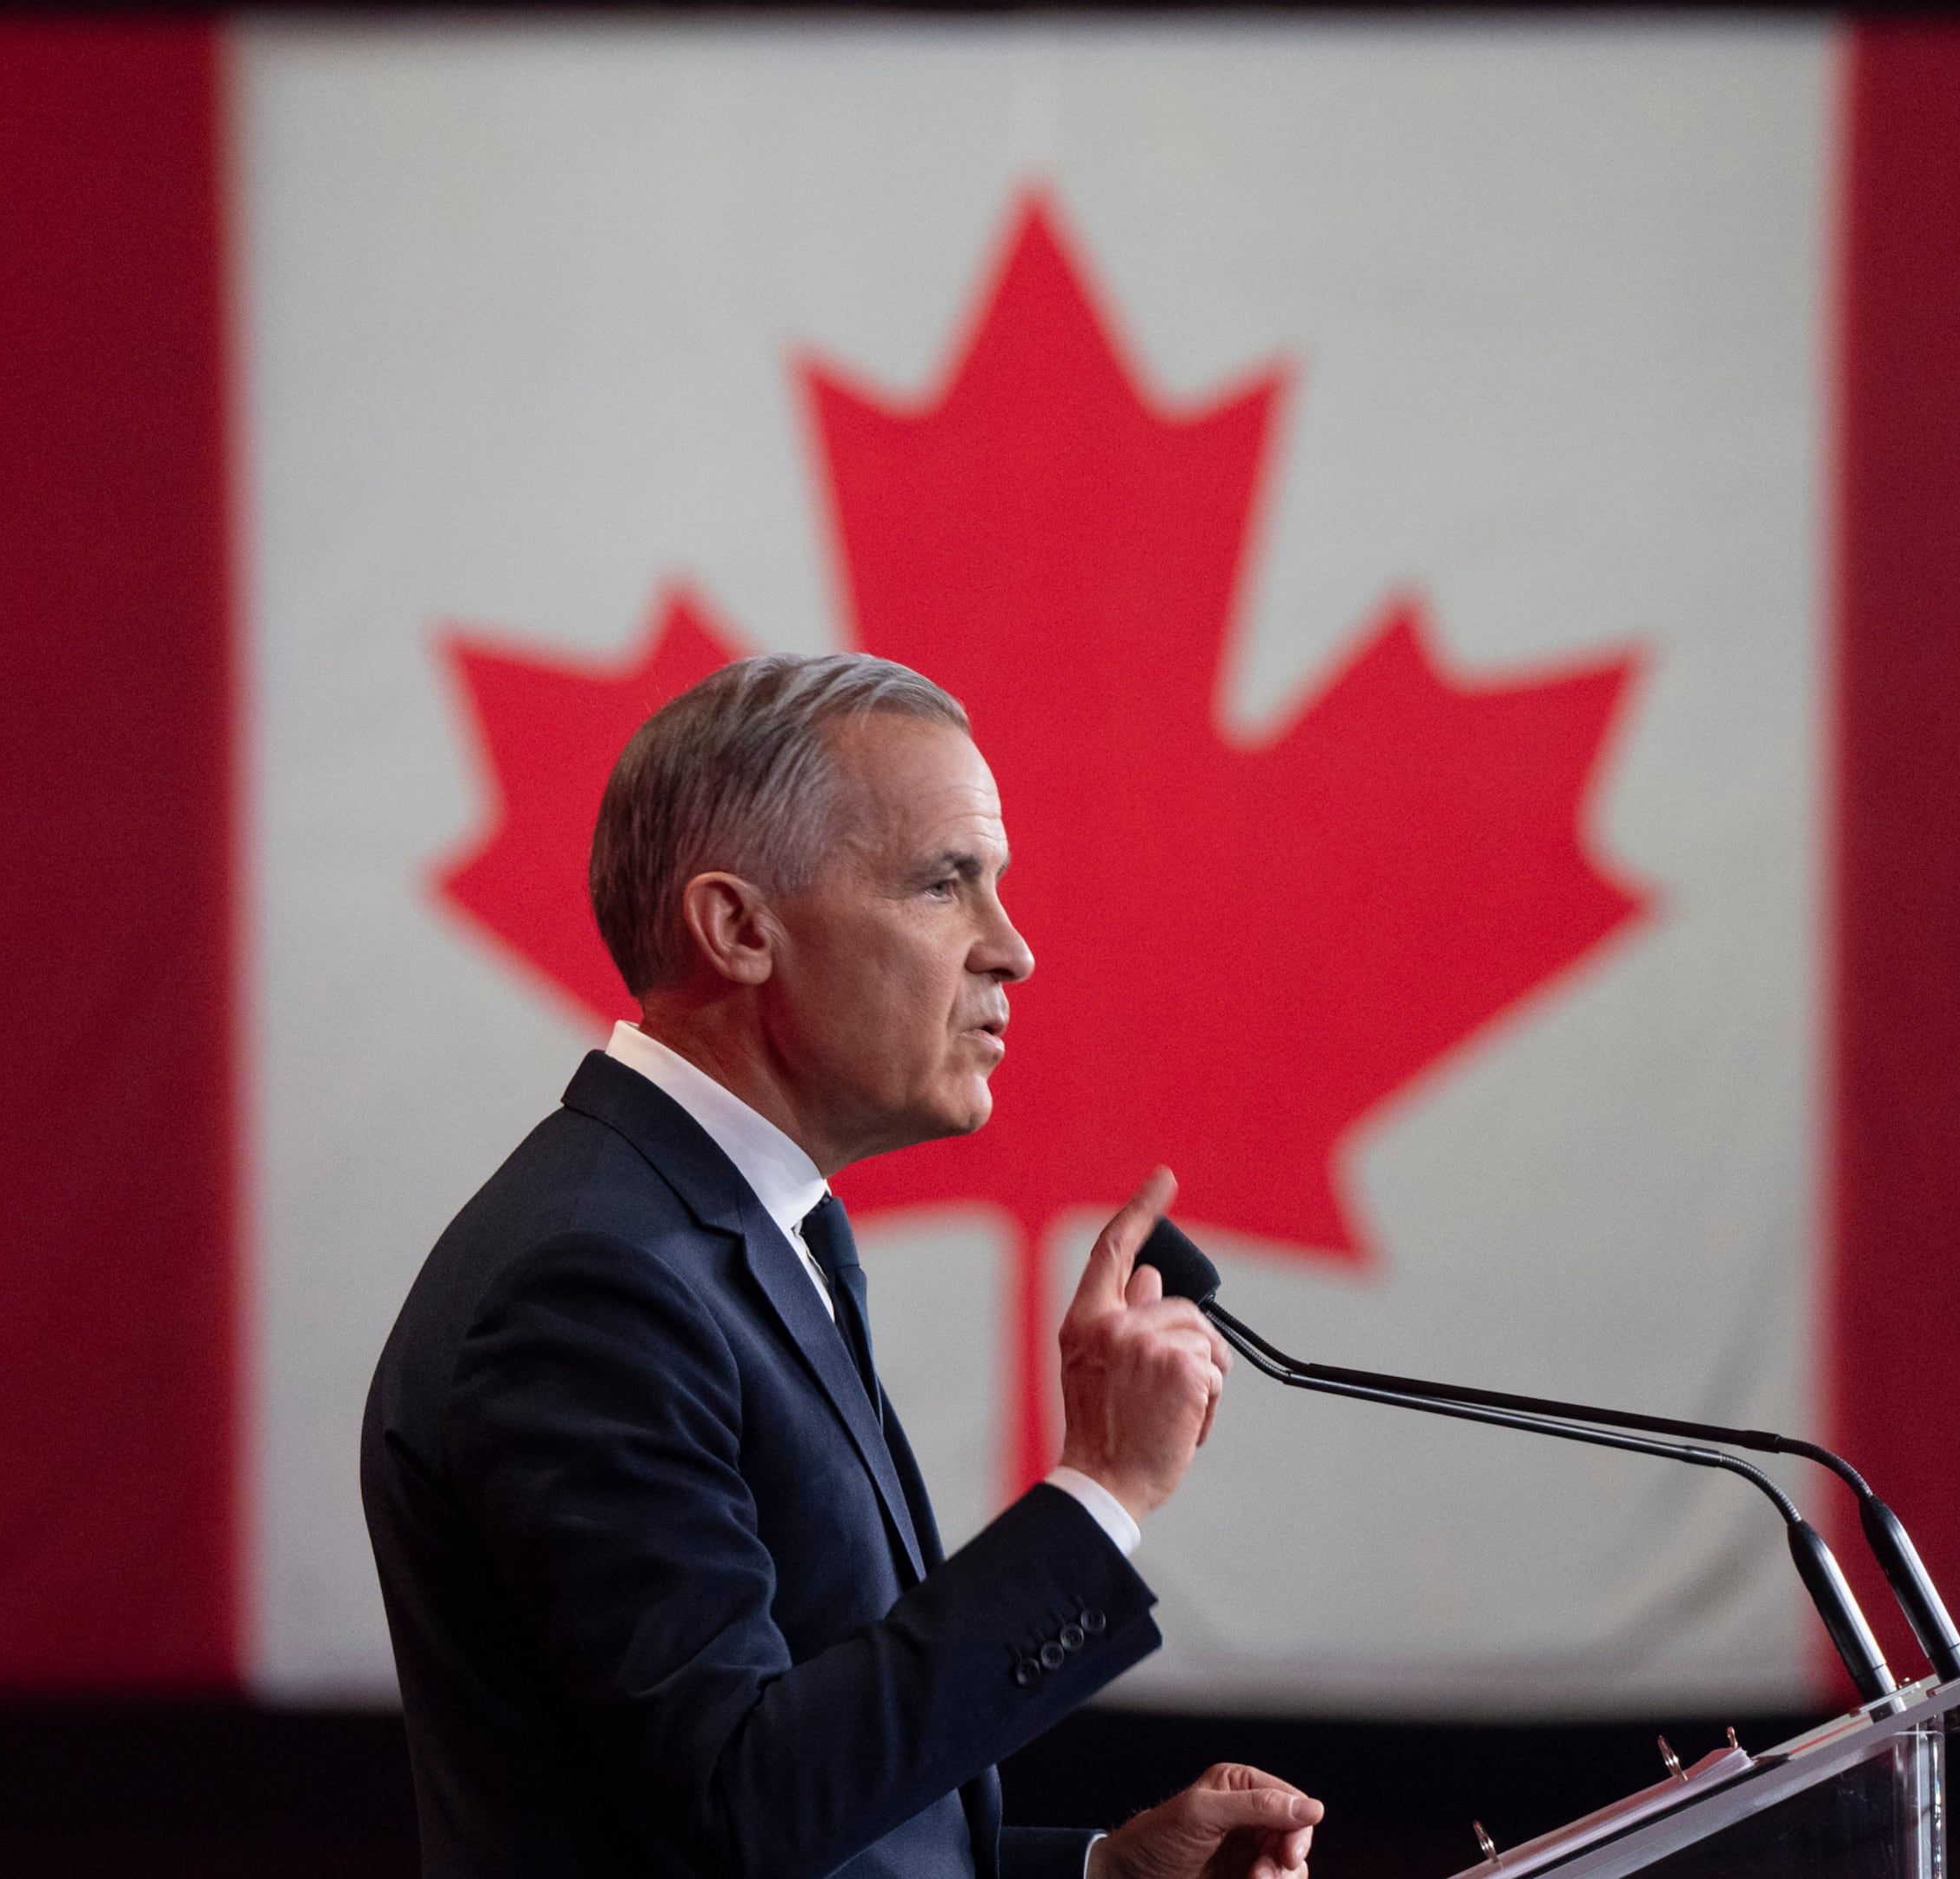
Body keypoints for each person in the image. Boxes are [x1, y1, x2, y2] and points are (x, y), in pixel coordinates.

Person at [363, 653, 1324, 1879]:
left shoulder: (746, 1230)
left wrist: (1097, 1873)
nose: (1013, 951)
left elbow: (813, 1814)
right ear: (740, 928)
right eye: (944, 884)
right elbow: (740, 1806)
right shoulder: (594, 1283)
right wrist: (1102, 1488)